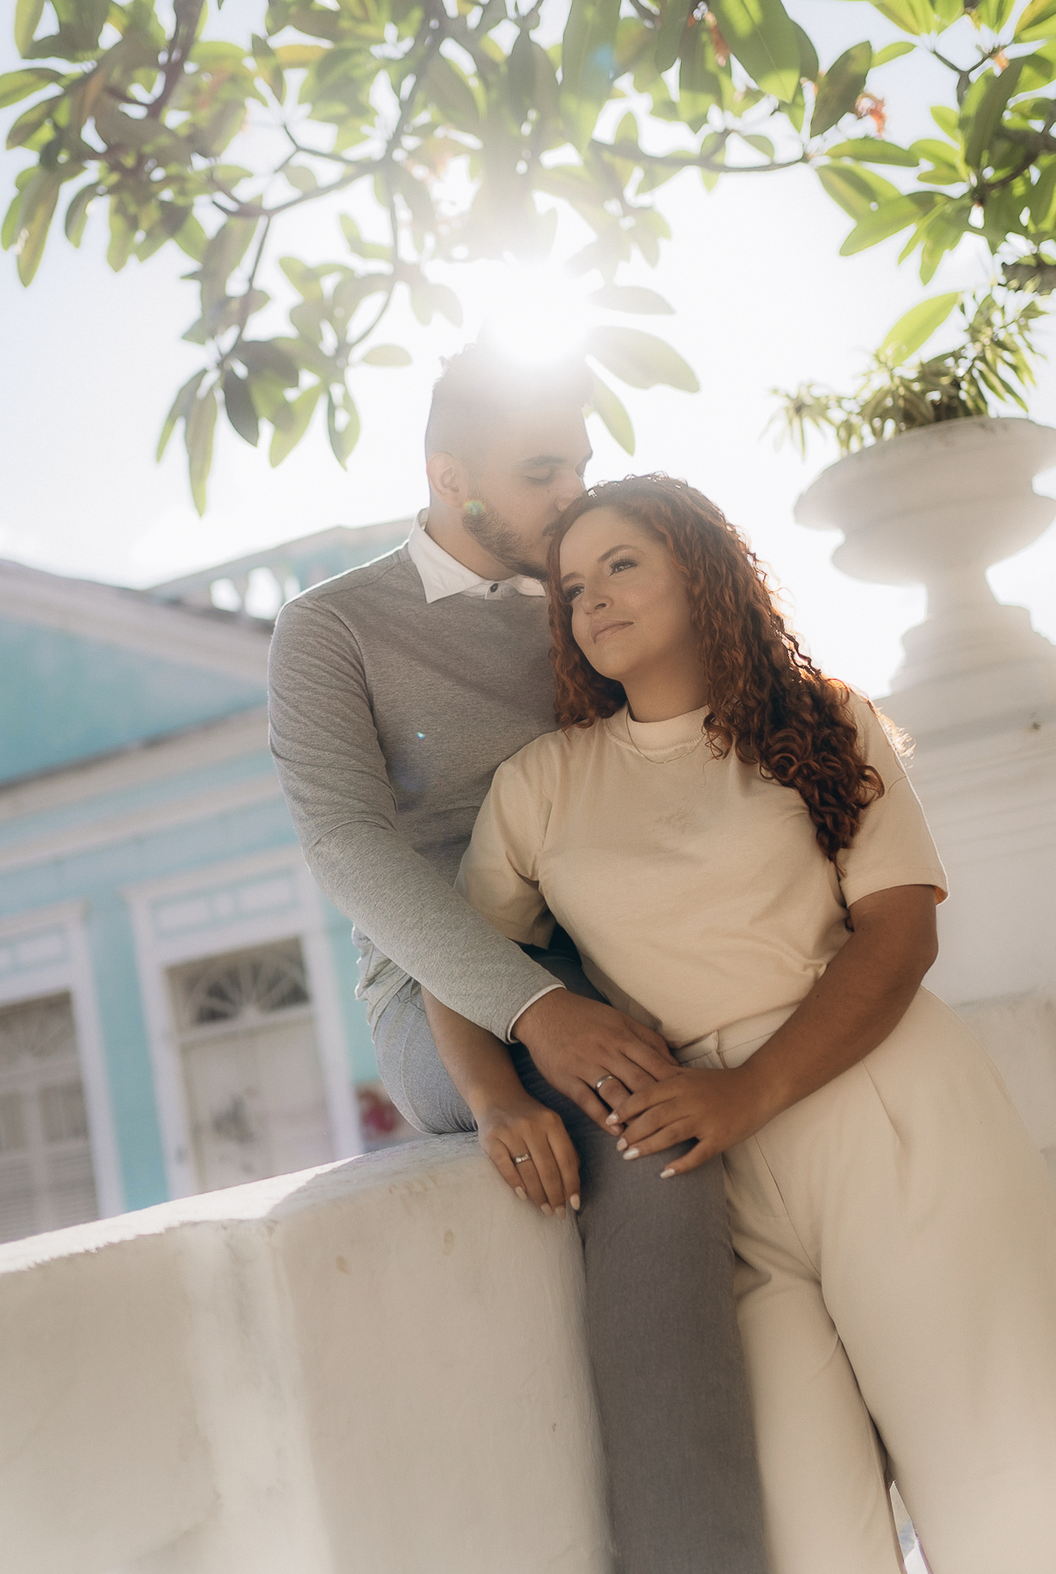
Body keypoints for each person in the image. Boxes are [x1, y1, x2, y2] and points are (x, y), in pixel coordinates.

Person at [443, 471, 1056, 1574]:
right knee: (810, 1538)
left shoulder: (823, 719)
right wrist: (493, 1095)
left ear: (704, 569)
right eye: (573, 585)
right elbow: (457, 965)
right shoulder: (540, 784)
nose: (593, 599)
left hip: (889, 1113)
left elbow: (900, 934)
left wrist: (745, 1093)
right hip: (706, 1182)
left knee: (1010, 1487)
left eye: (623, 563)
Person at [268, 350, 768, 1574]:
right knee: (660, 1146)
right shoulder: (330, 627)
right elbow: (345, 846)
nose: (574, 494)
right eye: (544, 471)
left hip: (634, 947)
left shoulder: (588, 598)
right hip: (449, 997)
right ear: (452, 478)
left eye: (583, 465)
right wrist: (529, 1014)